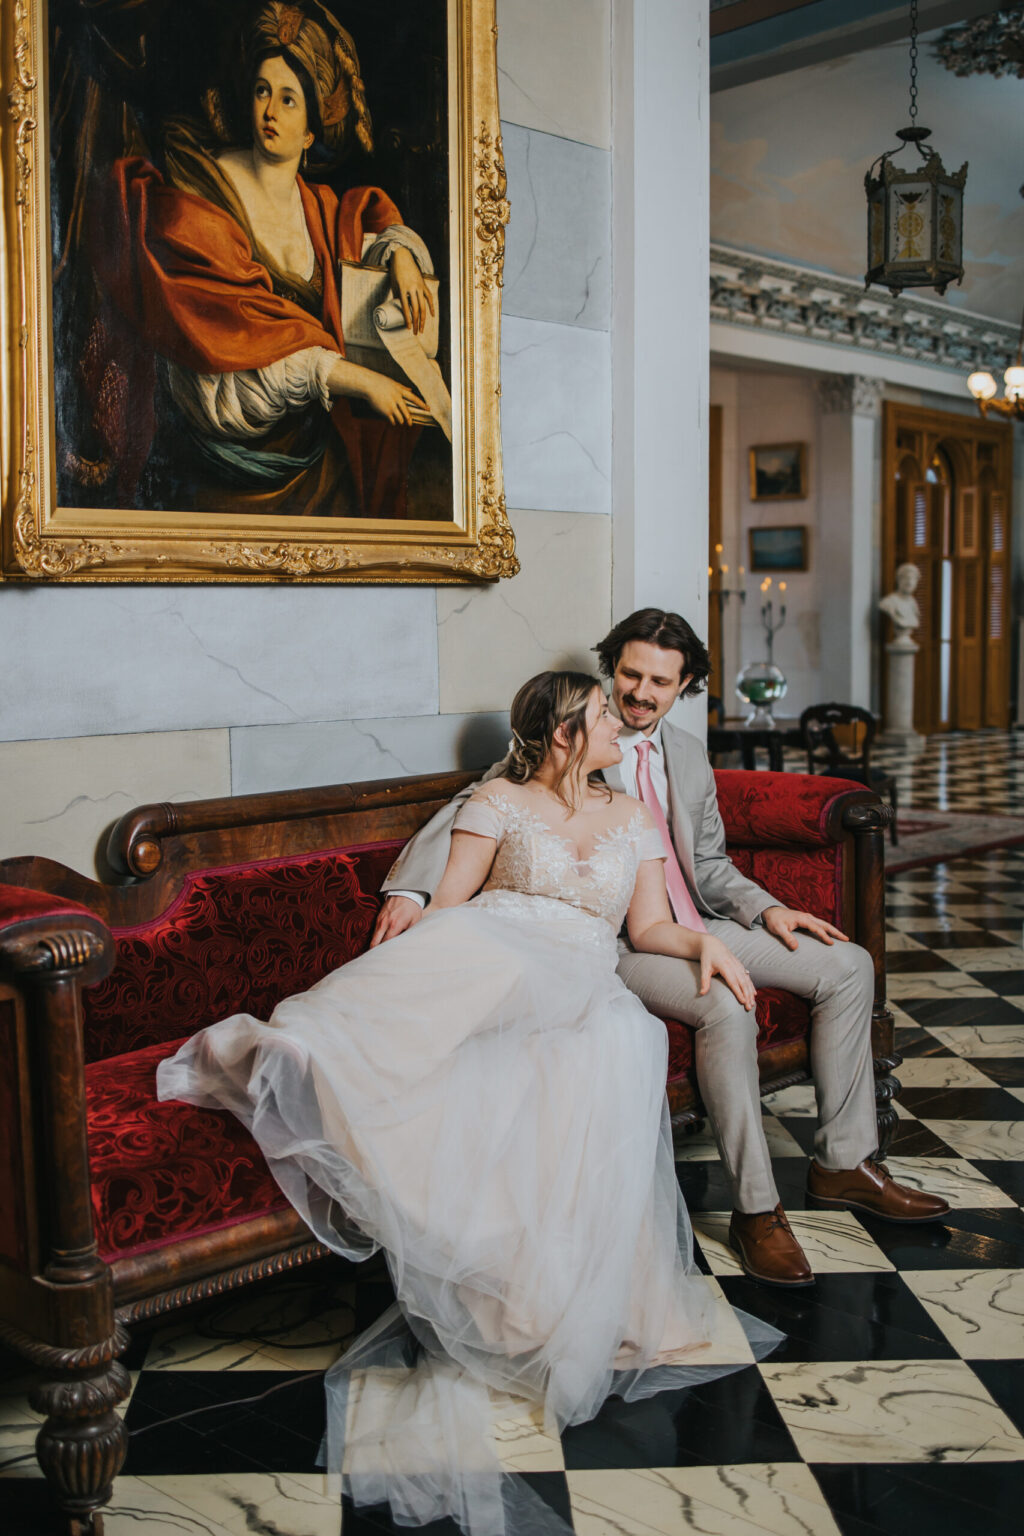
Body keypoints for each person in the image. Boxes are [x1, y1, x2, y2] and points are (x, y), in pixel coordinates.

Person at [158, 670, 781, 1536]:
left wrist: (707, 945)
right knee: (480, 964)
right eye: (604, 713)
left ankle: (536, 1299)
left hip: (579, 975)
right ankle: (313, 1053)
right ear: (564, 733)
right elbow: (452, 905)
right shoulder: (498, 799)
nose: (618, 723)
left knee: (616, 1040)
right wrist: (406, 915)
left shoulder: (632, 817)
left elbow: (646, 931)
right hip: (495, 946)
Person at [378, 609, 950, 1287]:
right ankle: (757, 1210)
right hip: (622, 941)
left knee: (848, 965)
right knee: (725, 1006)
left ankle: (845, 1164)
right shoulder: (579, 737)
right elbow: (472, 806)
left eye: (659, 681)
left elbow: (708, 865)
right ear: (611, 671)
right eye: (629, 674)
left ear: (684, 687)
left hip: (695, 921)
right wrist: (411, 892)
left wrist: (768, 910)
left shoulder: (686, 753)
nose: (640, 692)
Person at [92, 0, 436, 517]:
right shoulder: (200, 200)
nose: (270, 111)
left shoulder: (319, 209)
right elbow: (231, 357)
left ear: (311, 133)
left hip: (314, 463)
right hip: (222, 469)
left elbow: (365, 217)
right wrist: (361, 380)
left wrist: (399, 254)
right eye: (261, 91)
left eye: (289, 99)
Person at [879, 562, 922, 643]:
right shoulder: (889, 602)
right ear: (899, 580)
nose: (910, 582)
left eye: (913, 579)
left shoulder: (913, 603)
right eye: (906, 578)